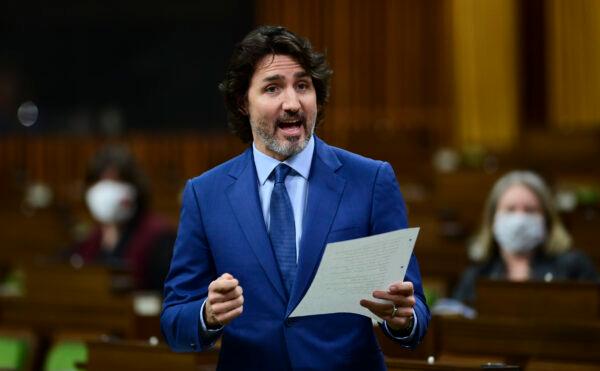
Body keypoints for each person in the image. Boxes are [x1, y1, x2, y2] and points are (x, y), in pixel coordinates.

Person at [160, 26, 429, 370]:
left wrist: (402, 318)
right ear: (243, 102)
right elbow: (175, 320)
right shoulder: (205, 194)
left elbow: (415, 308)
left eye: (302, 86)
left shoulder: (371, 180)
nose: (292, 103)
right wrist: (207, 314)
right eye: (273, 88)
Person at [452, 170, 599, 304]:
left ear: (546, 219)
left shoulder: (574, 267)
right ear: (493, 219)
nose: (520, 219)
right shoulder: (476, 275)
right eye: (510, 209)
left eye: (530, 210)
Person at [73, 144, 175, 291]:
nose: (106, 192)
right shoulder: (93, 238)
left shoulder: (159, 236)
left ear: (134, 187)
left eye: (115, 182)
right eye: (101, 181)